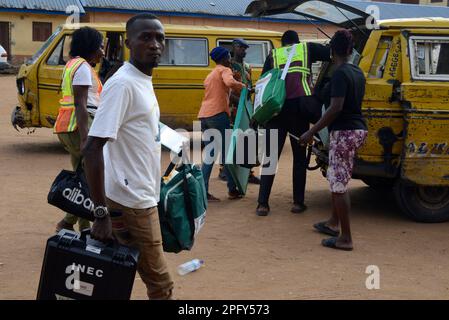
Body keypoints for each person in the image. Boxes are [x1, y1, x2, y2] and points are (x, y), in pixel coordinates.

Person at [82, 14, 174, 299]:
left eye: (159, 38)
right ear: (128, 42)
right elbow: (92, 148)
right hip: (133, 201)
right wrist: (100, 214)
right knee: (161, 285)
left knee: (124, 272)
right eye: (145, 37)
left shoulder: (141, 79)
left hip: (140, 193)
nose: (155, 44)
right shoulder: (123, 84)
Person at [299, 30, 368, 251]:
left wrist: (311, 132)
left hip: (345, 131)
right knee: (337, 177)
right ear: (350, 50)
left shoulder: (339, 73)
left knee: (338, 185)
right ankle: (332, 223)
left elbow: (335, 107)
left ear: (331, 50)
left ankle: (345, 238)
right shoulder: (357, 71)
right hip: (357, 129)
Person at [256, 30, 330, 216]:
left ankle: (262, 204)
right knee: (298, 158)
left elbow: (263, 82)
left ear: (283, 43)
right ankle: (298, 203)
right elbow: (331, 53)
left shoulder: (274, 54)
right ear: (297, 41)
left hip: (276, 111)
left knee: (270, 159)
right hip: (300, 110)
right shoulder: (307, 48)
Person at [54, 27, 104, 232]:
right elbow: (81, 104)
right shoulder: (83, 67)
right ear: (90, 47)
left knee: (80, 175)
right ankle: (67, 221)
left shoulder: (72, 65)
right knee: (90, 176)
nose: (102, 51)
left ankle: (84, 227)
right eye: (100, 46)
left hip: (66, 125)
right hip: (80, 126)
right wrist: (85, 138)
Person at [198, 46, 246, 202]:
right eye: (228, 57)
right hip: (218, 115)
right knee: (227, 154)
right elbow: (230, 82)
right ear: (225, 58)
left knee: (210, 155)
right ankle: (232, 190)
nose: (230, 59)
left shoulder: (211, 74)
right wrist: (245, 87)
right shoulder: (225, 70)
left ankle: (203, 192)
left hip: (204, 116)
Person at [217, 38, 261, 185]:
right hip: (233, 107)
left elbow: (248, 86)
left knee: (247, 138)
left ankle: (248, 173)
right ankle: (224, 170)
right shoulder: (228, 67)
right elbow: (228, 89)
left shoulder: (247, 67)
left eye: (245, 48)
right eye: (241, 48)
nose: (244, 51)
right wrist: (239, 102)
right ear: (234, 48)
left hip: (246, 106)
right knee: (230, 139)